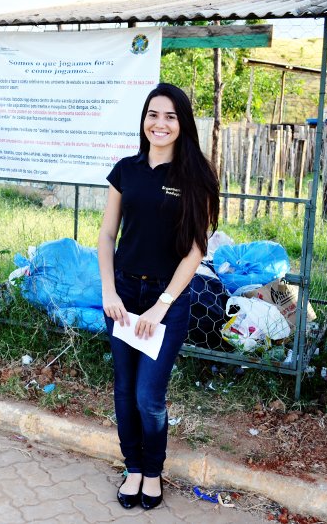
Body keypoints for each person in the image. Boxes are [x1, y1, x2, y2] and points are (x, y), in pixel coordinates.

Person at [97, 83, 219, 510]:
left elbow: (196, 250)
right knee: (124, 389)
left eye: (170, 116)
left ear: (182, 123)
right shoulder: (125, 171)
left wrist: (162, 303)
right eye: (153, 114)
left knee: (149, 395)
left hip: (167, 300)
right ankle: (133, 466)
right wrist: (110, 292)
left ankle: (154, 470)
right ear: (144, 120)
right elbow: (107, 234)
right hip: (124, 295)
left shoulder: (195, 177)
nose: (160, 123)